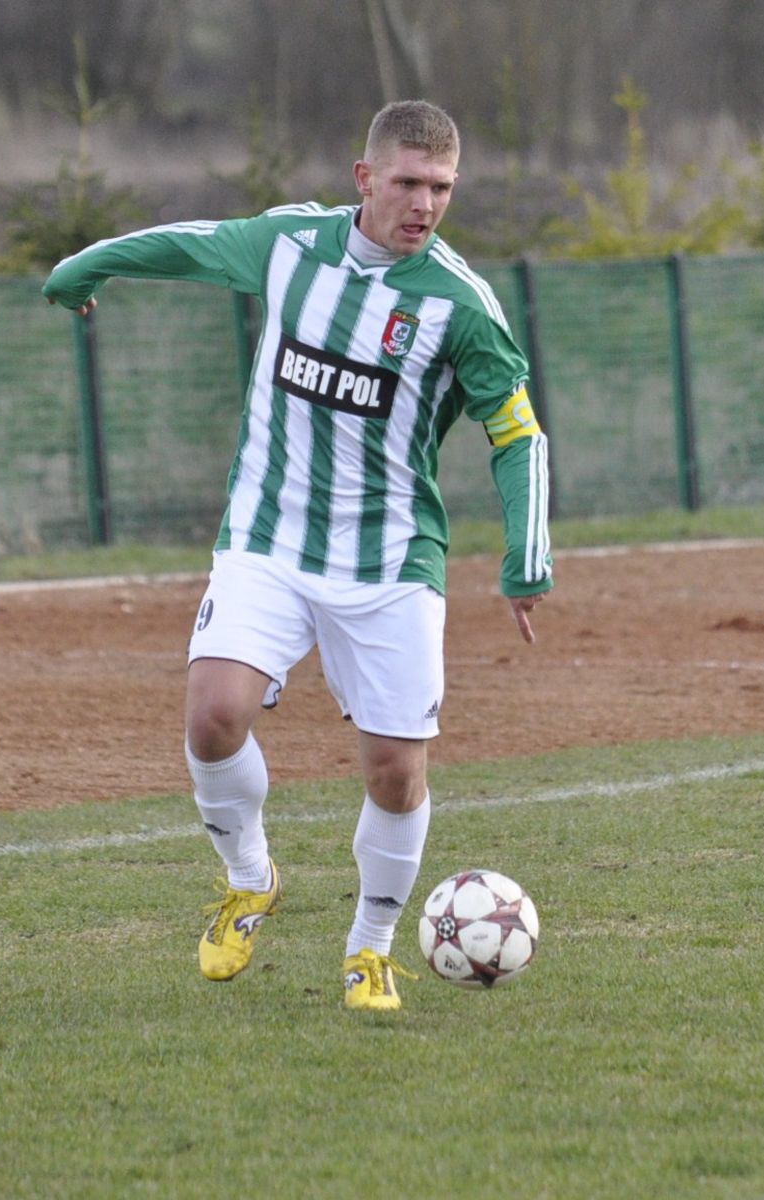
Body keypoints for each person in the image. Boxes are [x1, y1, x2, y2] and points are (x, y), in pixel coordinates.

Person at [43, 100, 552, 1012]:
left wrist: (525, 555)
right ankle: (250, 878)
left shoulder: (460, 305)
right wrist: (92, 264)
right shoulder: (289, 247)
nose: (423, 203)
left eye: (440, 187)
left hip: (391, 560)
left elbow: (516, 433)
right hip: (268, 536)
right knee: (213, 714)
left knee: (396, 769)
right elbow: (189, 243)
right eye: (406, 182)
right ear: (365, 179)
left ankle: (369, 948)